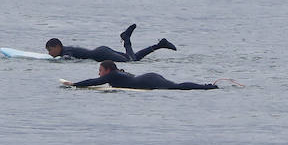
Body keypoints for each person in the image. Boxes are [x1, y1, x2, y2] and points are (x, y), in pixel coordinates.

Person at [46, 24, 177, 62]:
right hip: (102, 51)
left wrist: (60, 60)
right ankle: (160, 45)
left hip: (101, 54)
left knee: (131, 60)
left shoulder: (65, 52)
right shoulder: (66, 49)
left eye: (50, 50)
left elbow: (68, 58)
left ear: (57, 47)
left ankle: (126, 38)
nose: (49, 53)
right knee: (133, 57)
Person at [65, 60, 216, 90]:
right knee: (176, 86)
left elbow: (94, 81)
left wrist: (75, 84)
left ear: (108, 70)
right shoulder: (117, 74)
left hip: (148, 81)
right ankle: (205, 86)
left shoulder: (111, 76)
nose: (99, 73)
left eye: (101, 70)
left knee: (177, 87)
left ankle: (206, 87)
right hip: (148, 77)